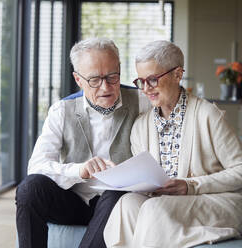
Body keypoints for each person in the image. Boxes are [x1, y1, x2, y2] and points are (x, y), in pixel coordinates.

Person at [103, 40, 242, 248]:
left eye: (153, 79)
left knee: (153, 209)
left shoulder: (208, 115)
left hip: (218, 202)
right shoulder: (140, 126)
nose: (146, 89)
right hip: (166, 205)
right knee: (126, 204)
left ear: (177, 74)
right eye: (141, 81)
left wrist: (190, 186)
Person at [16, 37, 150, 248]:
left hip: (117, 204)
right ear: (78, 80)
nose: (105, 87)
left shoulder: (143, 102)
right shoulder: (61, 110)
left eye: (112, 76)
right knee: (30, 189)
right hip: (73, 200)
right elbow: (37, 167)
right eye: (94, 80)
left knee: (118, 194)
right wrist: (79, 170)